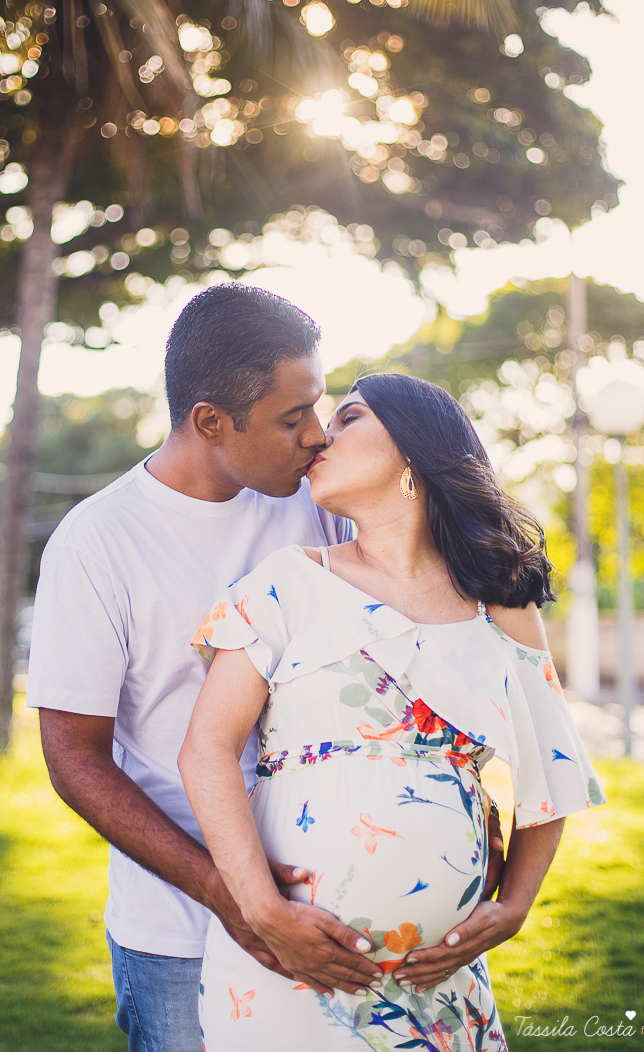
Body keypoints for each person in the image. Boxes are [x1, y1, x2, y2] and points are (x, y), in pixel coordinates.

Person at [180, 372, 607, 1051]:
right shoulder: (287, 582)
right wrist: (261, 912)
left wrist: (517, 905)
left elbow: (552, 768)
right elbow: (205, 749)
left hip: (439, 982)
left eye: (347, 418)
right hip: (288, 966)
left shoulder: (499, 602)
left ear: (414, 445)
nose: (318, 437)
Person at [26, 284, 387, 1052]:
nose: (317, 436)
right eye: (292, 418)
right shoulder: (97, 543)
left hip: (338, 908)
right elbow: (75, 760)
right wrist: (234, 898)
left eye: (319, 407)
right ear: (211, 422)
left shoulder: (318, 505)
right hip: (180, 935)